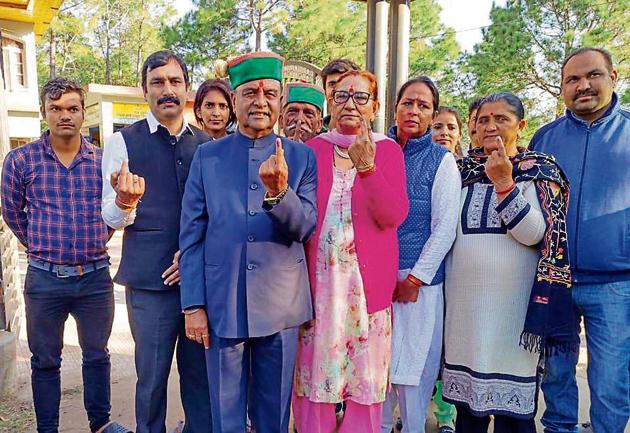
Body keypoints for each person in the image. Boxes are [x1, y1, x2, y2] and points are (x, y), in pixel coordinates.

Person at [178, 51, 317, 433]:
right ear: (235, 99)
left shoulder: (302, 157)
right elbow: (191, 235)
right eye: (250, 92)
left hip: (282, 307)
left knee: (273, 417)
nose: (260, 101)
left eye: (270, 93)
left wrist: (279, 193)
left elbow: (304, 227)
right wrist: (193, 305)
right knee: (226, 417)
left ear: (280, 100)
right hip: (224, 304)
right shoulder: (207, 157)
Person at [1, 78, 127, 433]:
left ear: (83, 114)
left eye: (72, 108)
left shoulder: (103, 162)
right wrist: (42, 246)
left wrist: (94, 240)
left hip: (94, 279)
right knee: (44, 362)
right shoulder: (20, 161)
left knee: (97, 356)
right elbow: (12, 213)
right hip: (44, 280)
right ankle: (48, 428)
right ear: (44, 112)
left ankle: (100, 423)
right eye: (56, 109)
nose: (64, 116)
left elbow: (114, 212)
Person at [443, 92, 572, 433]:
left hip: (513, 320)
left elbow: (533, 234)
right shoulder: (459, 173)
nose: (490, 126)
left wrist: (503, 182)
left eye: (501, 119)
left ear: (521, 126)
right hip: (465, 316)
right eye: (483, 119)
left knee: (513, 421)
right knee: (467, 417)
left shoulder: (537, 172)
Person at [101, 50, 212, 433]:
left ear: (187, 88)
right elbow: (110, 218)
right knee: (151, 381)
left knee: (201, 381)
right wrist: (124, 201)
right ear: (143, 89)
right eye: (158, 82)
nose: (167, 90)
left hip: (200, 284)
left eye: (175, 81)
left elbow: (220, 216)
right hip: (149, 285)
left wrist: (196, 257)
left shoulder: (207, 144)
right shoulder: (122, 142)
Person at [293, 70, 409, 433]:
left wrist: (368, 168)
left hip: (366, 295)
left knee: (366, 387)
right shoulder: (312, 150)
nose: (350, 104)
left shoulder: (387, 150)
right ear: (330, 102)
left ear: (375, 107)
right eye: (341, 95)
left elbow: (393, 215)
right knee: (315, 386)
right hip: (319, 293)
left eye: (361, 97)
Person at [530, 48, 630, 433]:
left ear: (613, 76)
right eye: (572, 80)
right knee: (555, 376)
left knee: (610, 383)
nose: (583, 85)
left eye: (592, 75)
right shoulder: (546, 137)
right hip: (555, 281)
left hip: (616, 283)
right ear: (562, 88)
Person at [380, 77, 461, 433]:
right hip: (374, 283)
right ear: (395, 106)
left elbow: (444, 229)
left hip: (419, 287)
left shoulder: (441, 161)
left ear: (432, 114)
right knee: (376, 376)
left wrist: (415, 278)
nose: (414, 111)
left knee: (413, 376)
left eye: (423, 105)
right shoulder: (377, 151)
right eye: (408, 102)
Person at [320, 58, 360, 131]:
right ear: (325, 91)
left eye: (345, 83)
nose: (338, 90)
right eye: (332, 84)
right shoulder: (312, 137)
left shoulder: (370, 140)